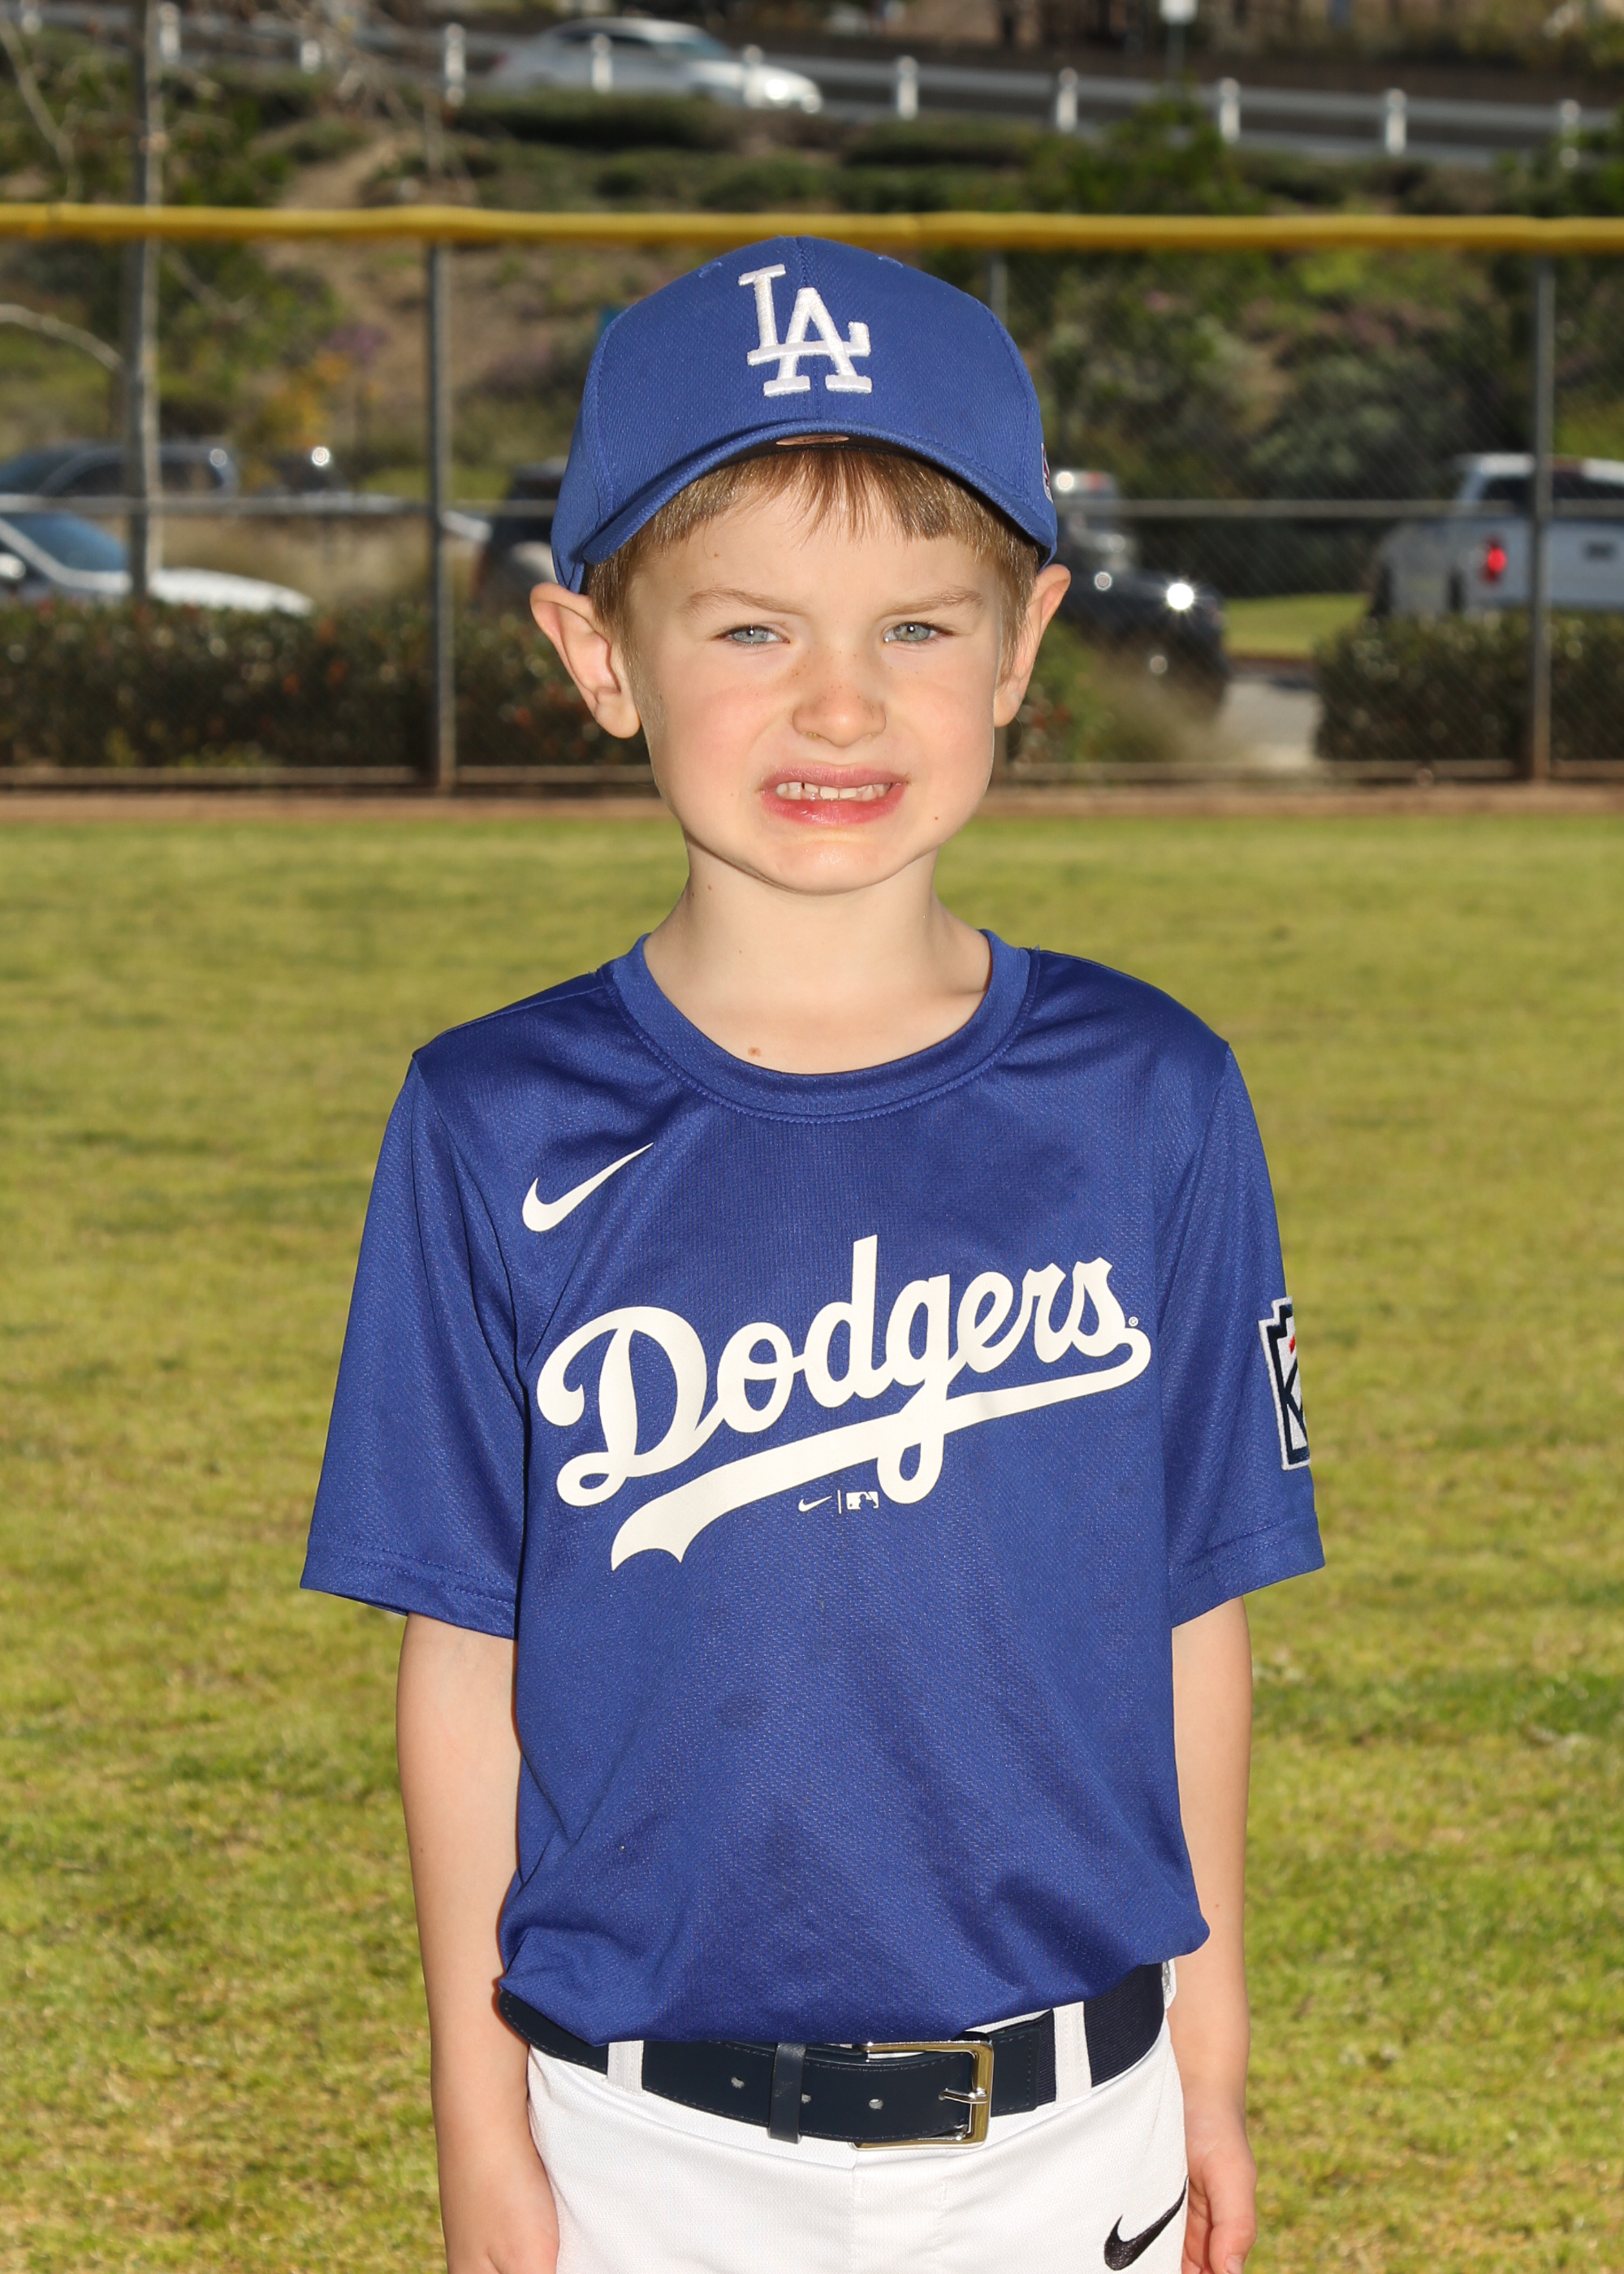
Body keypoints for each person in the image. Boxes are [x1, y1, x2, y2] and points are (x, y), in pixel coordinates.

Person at [302, 237, 1322, 2274]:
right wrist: (479, 2130)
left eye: (916, 623)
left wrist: (1209, 2055)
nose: (839, 700)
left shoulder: (1152, 1094)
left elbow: (1189, 1609)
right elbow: (464, 1668)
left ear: (1025, 641)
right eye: (750, 625)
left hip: (1066, 2126)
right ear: (599, 652)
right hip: (638, 2140)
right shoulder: (493, 1121)